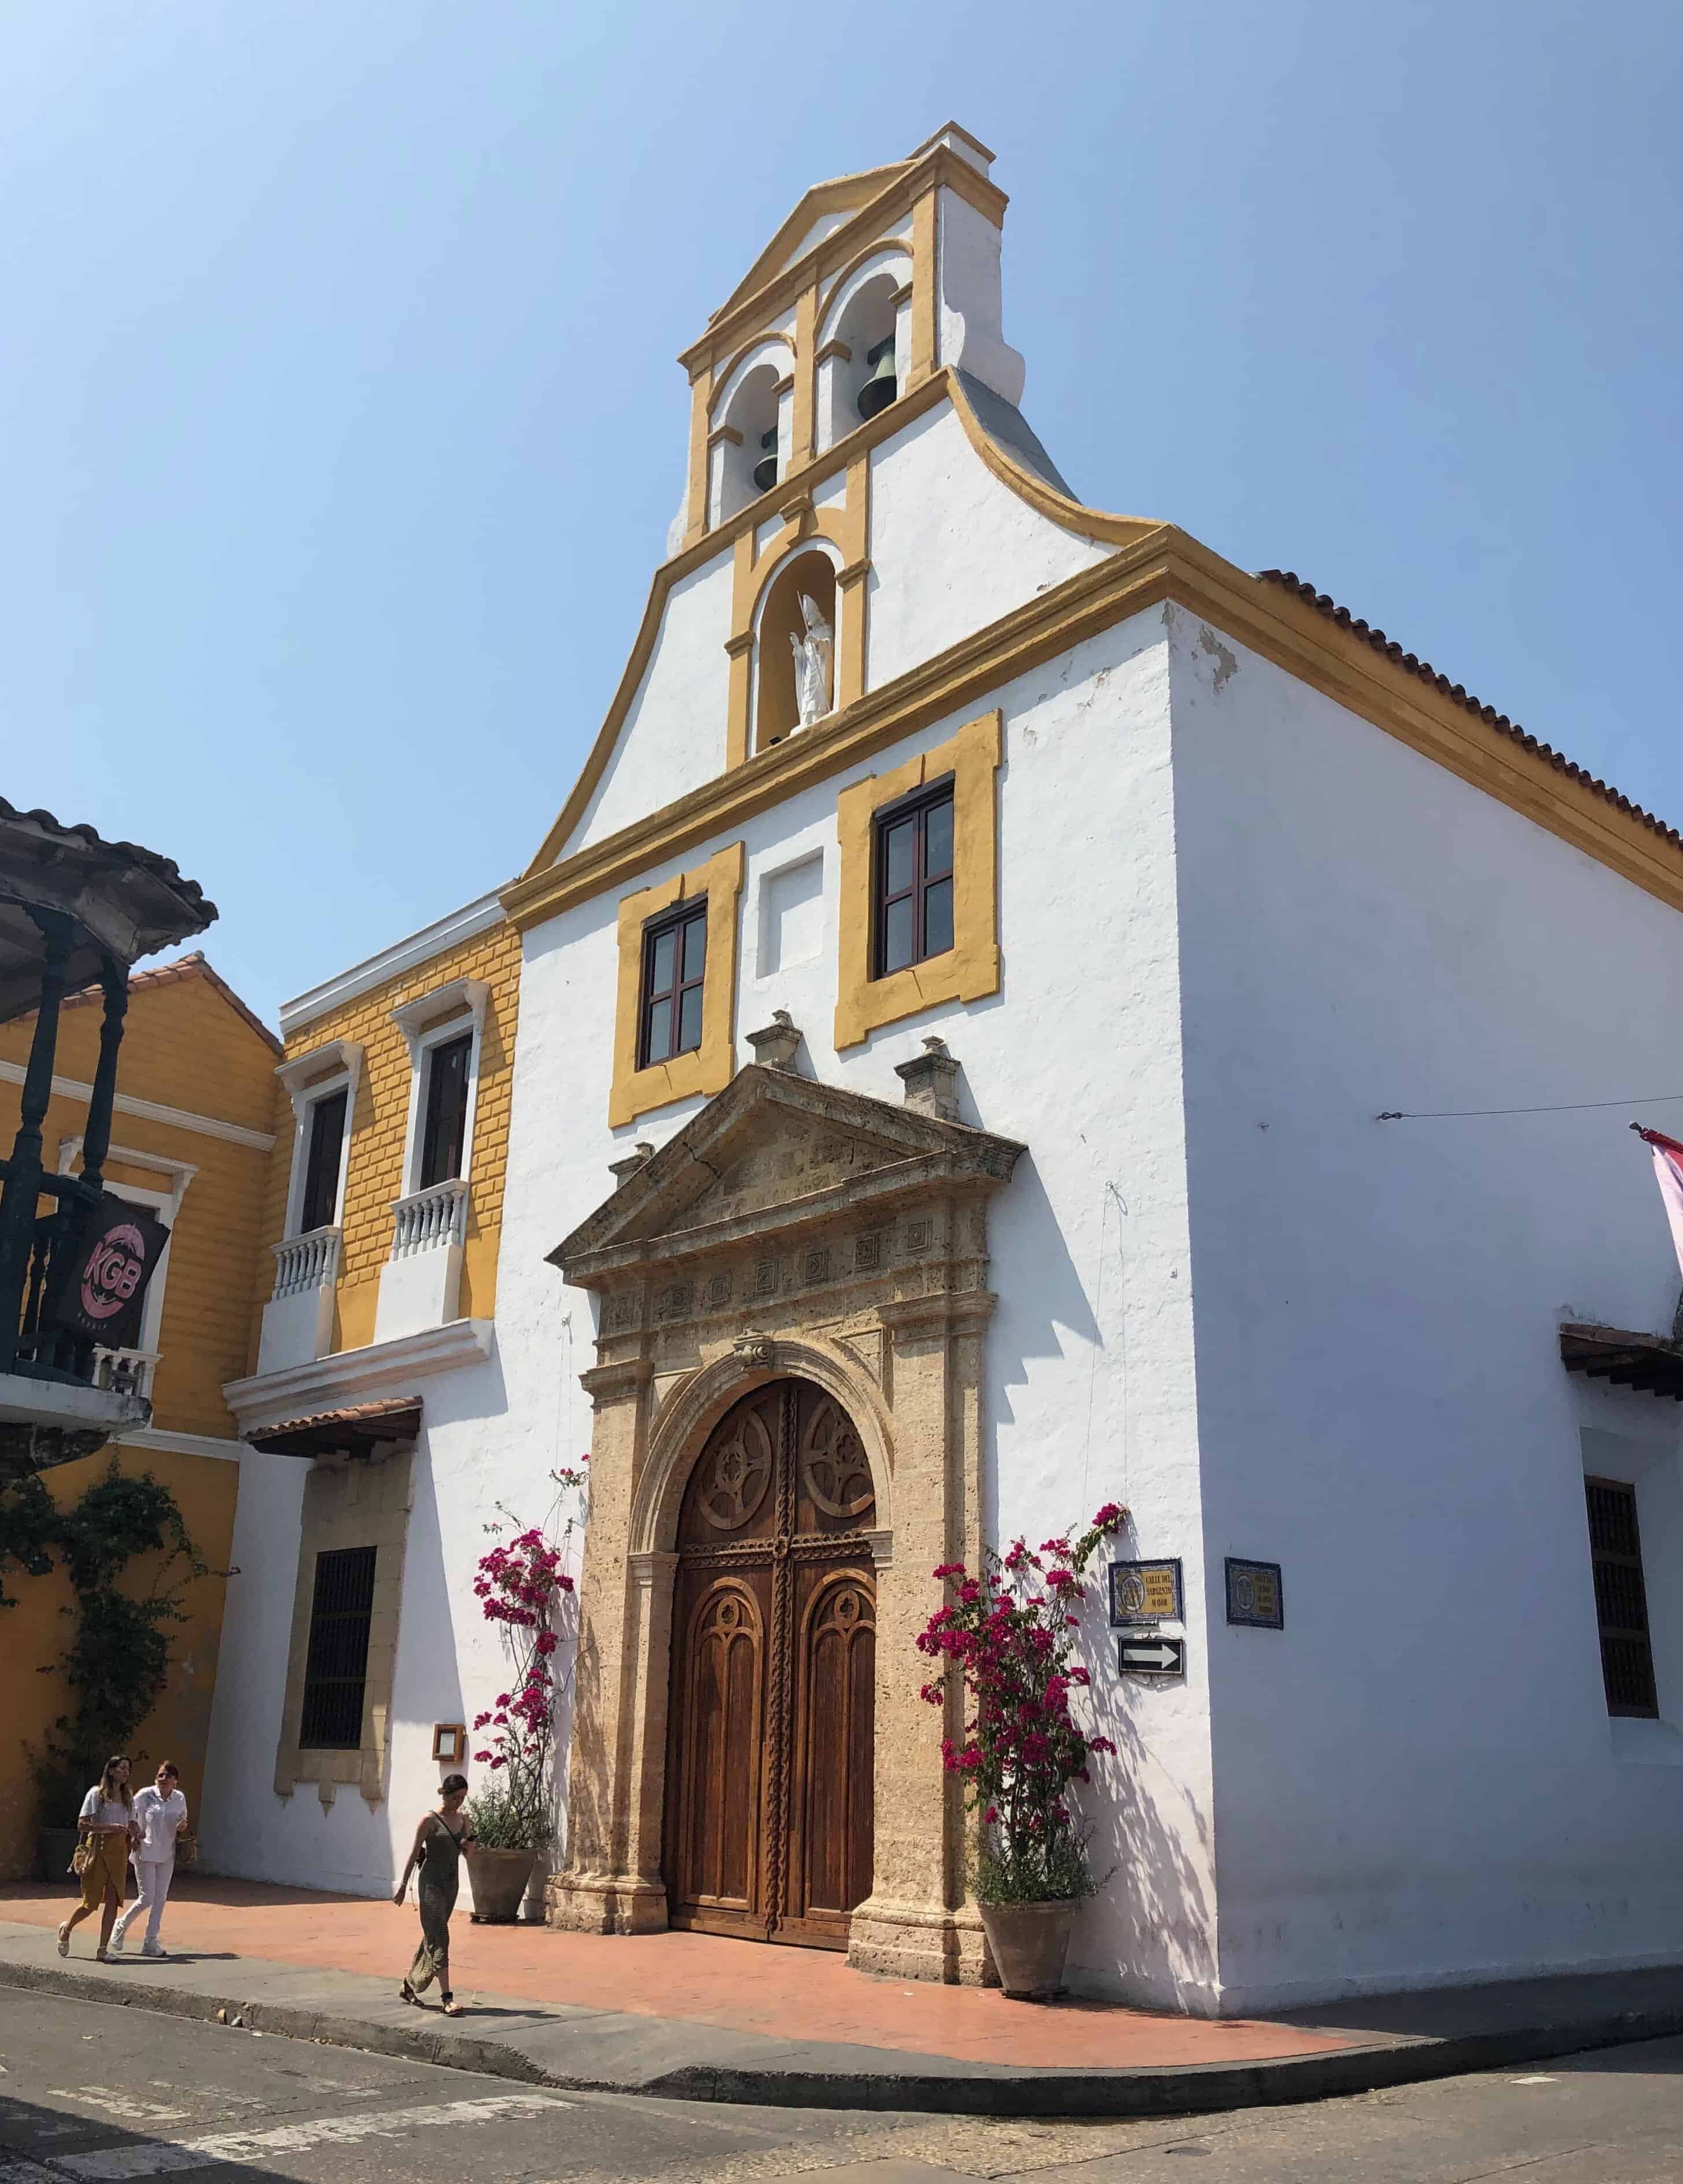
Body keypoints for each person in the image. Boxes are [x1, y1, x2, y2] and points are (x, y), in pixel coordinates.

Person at [393, 1774, 472, 2016]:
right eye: (455, 1797)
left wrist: (469, 1838)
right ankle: (447, 1998)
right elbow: (414, 1852)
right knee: (441, 1938)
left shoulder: (463, 1819)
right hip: (430, 1885)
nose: (458, 1803)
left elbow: (468, 1854)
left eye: (462, 1799)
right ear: (445, 1794)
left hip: (451, 1884)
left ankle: (409, 1985)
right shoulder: (430, 1820)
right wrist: (403, 1885)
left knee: (433, 1937)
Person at [57, 1755, 138, 1961]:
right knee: (91, 1903)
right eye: (121, 1768)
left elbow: (132, 1823)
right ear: (111, 1771)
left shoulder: (128, 1795)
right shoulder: (97, 1794)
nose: (125, 1772)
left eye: (128, 1769)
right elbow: (82, 1824)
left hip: (119, 1851)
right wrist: (108, 1828)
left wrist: (139, 1835)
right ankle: (67, 1929)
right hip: (98, 1848)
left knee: (113, 1901)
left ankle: (102, 1949)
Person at [110, 1760, 188, 1958]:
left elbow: (183, 1819)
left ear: (175, 1782)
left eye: (168, 1776)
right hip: (145, 1851)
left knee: (160, 1900)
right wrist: (134, 1834)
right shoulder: (146, 1795)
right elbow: (130, 1815)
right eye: (161, 1775)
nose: (164, 1779)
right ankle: (121, 1925)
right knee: (147, 1898)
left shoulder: (179, 1798)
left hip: (167, 1853)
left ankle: (150, 1942)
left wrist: (182, 1825)